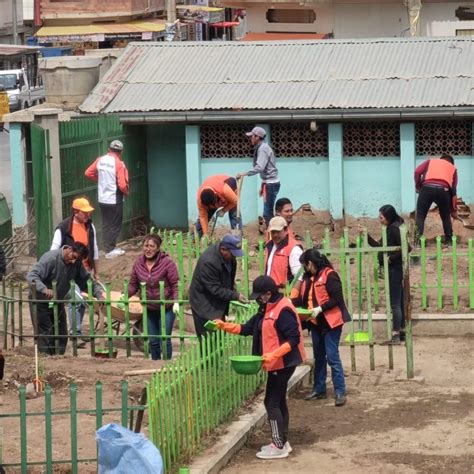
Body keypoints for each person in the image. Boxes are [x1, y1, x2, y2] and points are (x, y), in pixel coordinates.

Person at [214, 275, 306, 459]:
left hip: (283, 363)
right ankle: (282, 441)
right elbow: (249, 328)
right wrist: (225, 326)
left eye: (259, 295)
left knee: (271, 402)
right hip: (274, 362)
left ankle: (278, 444)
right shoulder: (265, 308)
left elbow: (294, 339)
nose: (257, 298)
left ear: (268, 293)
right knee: (278, 401)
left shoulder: (283, 309)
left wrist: (274, 354)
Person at [294, 248, 351, 406]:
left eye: (305, 265)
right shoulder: (308, 278)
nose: (304, 268)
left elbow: (337, 299)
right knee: (319, 357)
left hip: (331, 322)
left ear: (310, 263)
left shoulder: (329, 275)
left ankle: (340, 391)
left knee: (332, 356)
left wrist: (320, 309)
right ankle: (319, 389)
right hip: (315, 323)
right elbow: (303, 299)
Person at [27, 243, 103, 355]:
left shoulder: (76, 263)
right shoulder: (50, 259)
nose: (73, 261)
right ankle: (46, 358)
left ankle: (58, 357)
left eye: (77, 260)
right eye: (73, 257)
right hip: (40, 301)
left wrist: (98, 294)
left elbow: (86, 281)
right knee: (45, 332)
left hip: (57, 301)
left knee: (62, 332)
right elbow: (32, 276)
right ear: (69, 249)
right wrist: (43, 289)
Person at [51, 197, 99, 347]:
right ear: (76, 211)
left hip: (84, 271)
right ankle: (75, 334)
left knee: (83, 301)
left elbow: (94, 249)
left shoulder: (90, 226)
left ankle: (75, 331)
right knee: (77, 299)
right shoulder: (64, 228)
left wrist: (96, 272)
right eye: (84, 212)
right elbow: (54, 250)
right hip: (69, 272)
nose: (87, 215)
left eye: (88, 212)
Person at [128, 234, 179, 360]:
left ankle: (167, 366)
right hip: (149, 308)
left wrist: (176, 301)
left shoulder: (167, 263)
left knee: (164, 339)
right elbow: (133, 284)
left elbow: (175, 284)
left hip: (166, 307)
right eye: (146, 246)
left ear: (158, 248)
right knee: (153, 340)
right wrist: (125, 294)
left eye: (152, 246)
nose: (148, 249)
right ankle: (155, 365)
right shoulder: (138, 263)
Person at [361, 204, 406, 345]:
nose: (379, 219)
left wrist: (390, 258)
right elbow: (379, 246)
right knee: (399, 302)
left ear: (388, 217)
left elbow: (406, 248)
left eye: (381, 217)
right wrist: (365, 235)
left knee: (395, 303)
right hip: (395, 269)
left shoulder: (393, 229)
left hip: (395, 270)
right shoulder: (392, 227)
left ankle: (396, 335)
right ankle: (402, 331)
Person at [189, 234, 247, 338]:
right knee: (209, 339)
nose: (235, 257)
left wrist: (231, 285)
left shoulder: (229, 257)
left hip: (217, 302)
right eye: (233, 254)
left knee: (220, 335)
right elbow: (214, 289)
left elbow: (229, 273)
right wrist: (235, 296)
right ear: (223, 249)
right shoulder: (209, 262)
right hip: (204, 304)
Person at [85, 140, 129, 259]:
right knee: (115, 224)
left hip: (102, 198)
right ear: (121, 152)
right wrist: (126, 193)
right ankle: (110, 250)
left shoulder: (100, 160)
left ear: (109, 149)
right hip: (114, 198)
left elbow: (88, 173)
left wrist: (101, 180)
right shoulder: (119, 164)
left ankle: (106, 247)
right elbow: (122, 185)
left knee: (106, 223)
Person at [237, 126, 279, 227]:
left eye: (252, 136)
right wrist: (262, 184)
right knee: (268, 212)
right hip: (268, 183)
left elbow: (260, 167)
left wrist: (245, 173)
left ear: (257, 137)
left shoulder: (263, 149)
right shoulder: (262, 147)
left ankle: (273, 237)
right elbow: (265, 170)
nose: (250, 138)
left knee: (267, 213)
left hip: (271, 184)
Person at [414, 154, 458, 244]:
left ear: (441, 160)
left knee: (420, 216)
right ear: (451, 163)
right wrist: (453, 210)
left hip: (426, 188)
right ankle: (449, 241)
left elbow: (417, 172)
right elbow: (453, 192)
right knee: (446, 217)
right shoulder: (453, 168)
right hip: (444, 190)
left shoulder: (430, 161)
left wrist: (418, 186)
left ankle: (417, 242)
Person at [265, 216, 303, 293]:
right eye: (273, 232)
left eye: (278, 232)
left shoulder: (294, 249)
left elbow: (299, 277)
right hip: (271, 294)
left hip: (285, 294)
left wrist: (292, 297)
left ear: (286, 230)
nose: (275, 235)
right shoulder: (270, 246)